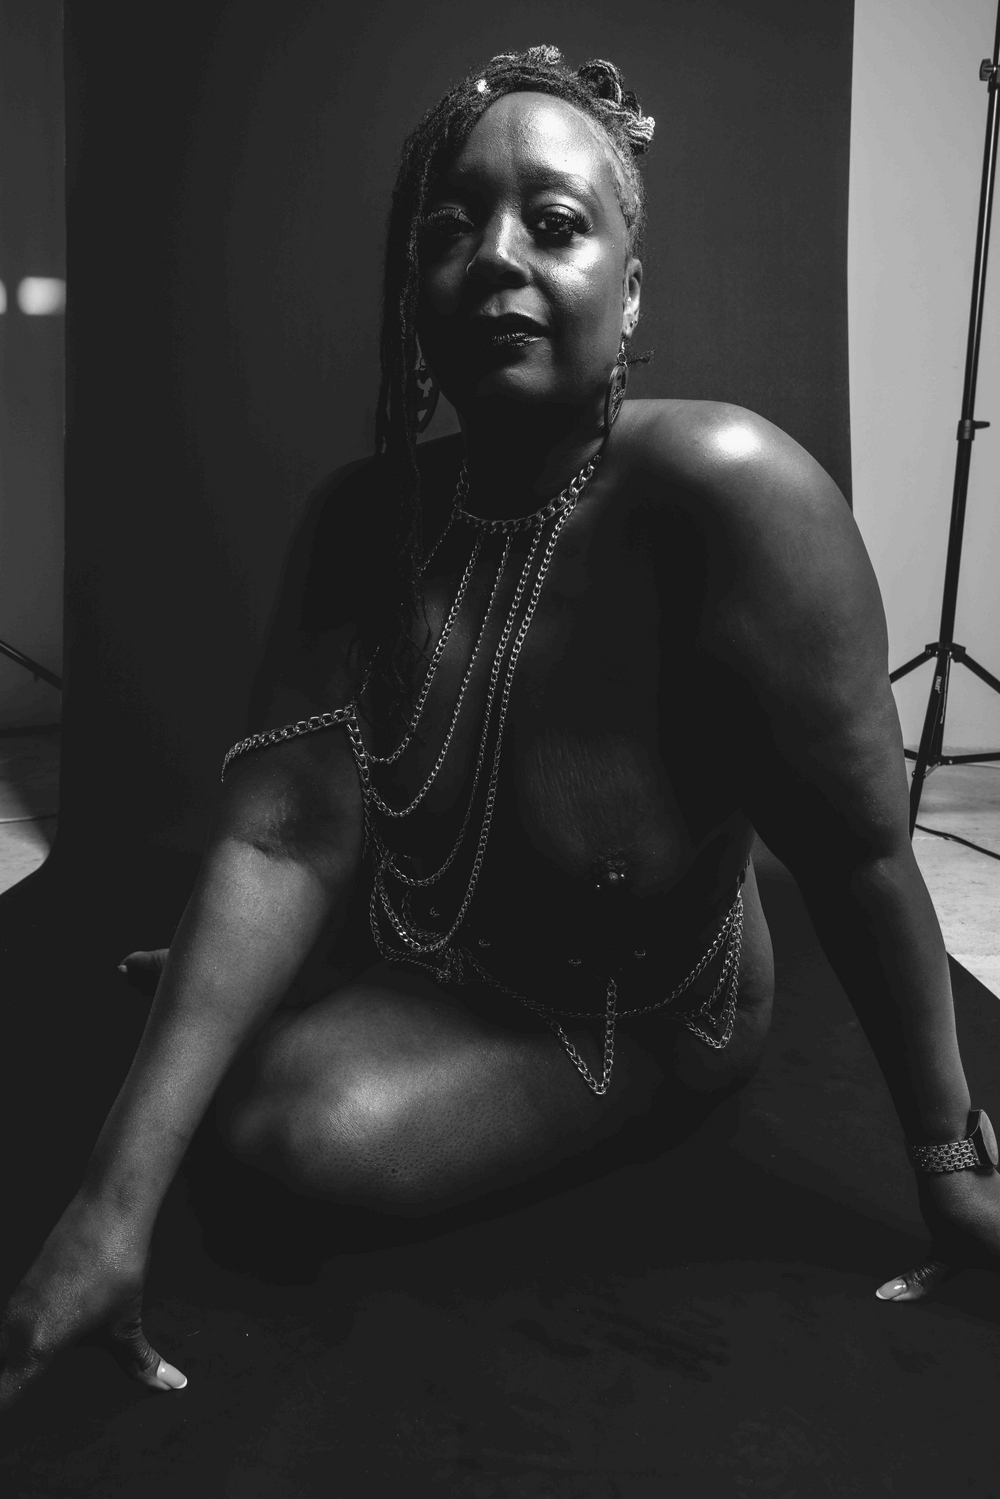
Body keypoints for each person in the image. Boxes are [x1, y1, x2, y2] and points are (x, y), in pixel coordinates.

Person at [2, 43, 999, 1408]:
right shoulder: (362, 520)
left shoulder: (733, 492)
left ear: (630, 292)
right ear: (414, 291)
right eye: (450, 230)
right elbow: (284, 837)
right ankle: (325, 968)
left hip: (640, 1001)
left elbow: (864, 857)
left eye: (557, 223)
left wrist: (949, 1162)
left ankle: (335, 984)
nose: (495, 258)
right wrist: (106, 1212)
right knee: (222, 1020)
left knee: (290, 1130)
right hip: (451, 933)